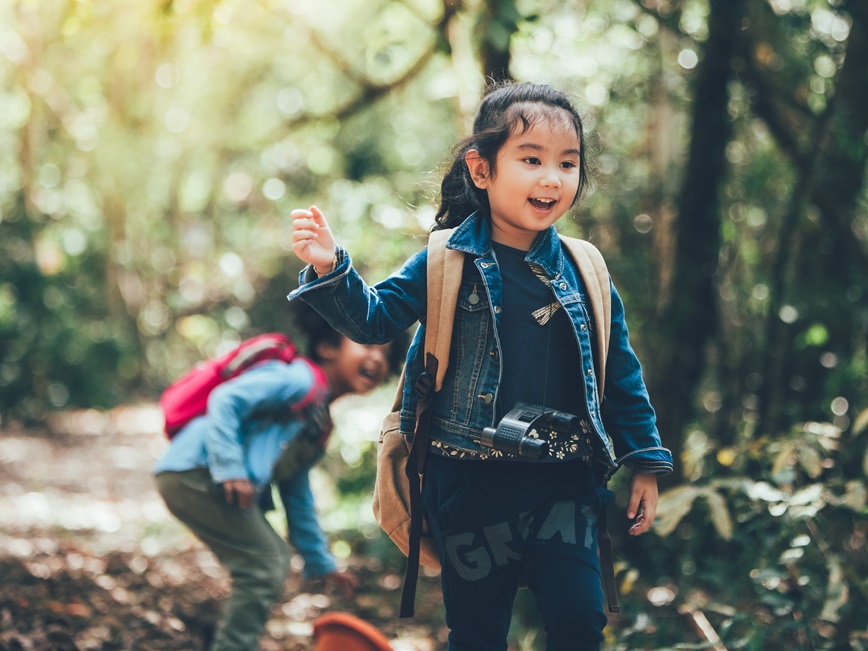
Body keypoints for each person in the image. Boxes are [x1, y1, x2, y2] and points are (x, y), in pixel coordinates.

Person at [287, 81, 674, 651]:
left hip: (565, 484)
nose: (552, 178)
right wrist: (330, 268)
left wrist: (644, 462)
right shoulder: (444, 261)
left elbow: (621, 372)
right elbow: (373, 321)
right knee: (477, 632)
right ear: (482, 168)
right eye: (532, 159)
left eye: (568, 164)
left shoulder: (585, 268)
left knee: (579, 623)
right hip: (470, 483)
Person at [154, 303, 406, 651]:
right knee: (265, 563)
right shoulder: (298, 379)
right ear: (328, 347)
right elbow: (226, 400)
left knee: (264, 562)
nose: (377, 359)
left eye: (385, 353)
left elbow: (296, 491)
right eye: (366, 345)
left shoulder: (318, 421)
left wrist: (320, 562)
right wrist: (230, 467)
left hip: (195, 475)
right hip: (195, 470)